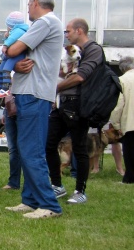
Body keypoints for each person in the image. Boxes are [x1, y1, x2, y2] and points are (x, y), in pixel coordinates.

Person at [3, 0, 63, 218]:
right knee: (26, 149)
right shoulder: (48, 23)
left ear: (36, 2)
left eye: (29, 4)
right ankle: (30, 199)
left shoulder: (44, 22)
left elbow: (13, 49)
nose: (27, 9)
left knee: (31, 151)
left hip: (34, 95)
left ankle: (49, 205)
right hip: (31, 93)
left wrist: (10, 52)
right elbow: (20, 57)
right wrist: (16, 65)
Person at [44, 18, 103, 205]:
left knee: (79, 147)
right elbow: (64, 73)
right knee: (49, 144)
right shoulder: (66, 52)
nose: (66, 35)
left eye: (68, 31)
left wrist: (56, 88)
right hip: (61, 104)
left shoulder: (93, 49)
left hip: (79, 105)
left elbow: (80, 77)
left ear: (79, 31)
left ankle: (80, 190)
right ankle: (57, 185)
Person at [110, 56, 134, 184]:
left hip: (130, 123)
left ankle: (129, 178)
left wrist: (116, 124)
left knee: (130, 152)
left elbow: (118, 105)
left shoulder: (122, 80)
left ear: (122, 68)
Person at [0, 11, 29, 94]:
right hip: (11, 56)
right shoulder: (16, 31)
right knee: (0, 69)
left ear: (10, 26)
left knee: (6, 69)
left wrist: (5, 45)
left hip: (17, 55)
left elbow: (12, 39)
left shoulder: (19, 31)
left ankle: (5, 89)